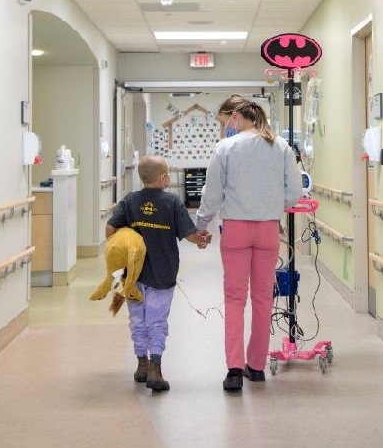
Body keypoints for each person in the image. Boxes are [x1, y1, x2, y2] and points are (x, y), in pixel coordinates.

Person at [196, 95, 301, 391]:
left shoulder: (226, 147)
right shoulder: (280, 146)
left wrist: (201, 225)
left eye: (225, 121)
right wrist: (271, 204)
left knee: (234, 298)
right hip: (268, 229)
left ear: (235, 118)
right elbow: (294, 192)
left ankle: (233, 369)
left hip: (236, 230)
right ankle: (255, 367)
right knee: (263, 297)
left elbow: (212, 193)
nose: (225, 127)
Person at [106, 155, 210, 392]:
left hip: (133, 275)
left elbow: (111, 229)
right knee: (157, 321)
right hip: (163, 273)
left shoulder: (130, 201)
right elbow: (190, 235)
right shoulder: (172, 202)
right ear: (164, 178)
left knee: (137, 320)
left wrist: (121, 248)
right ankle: (155, 368)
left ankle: (141, 365)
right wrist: (202, 240)